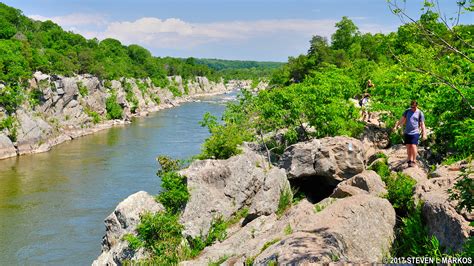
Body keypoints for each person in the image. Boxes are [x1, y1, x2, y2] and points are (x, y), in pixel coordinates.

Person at [393, 100, 427, 167]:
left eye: (414, 107)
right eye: (411, 107)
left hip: (415, 132)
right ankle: (409, 160)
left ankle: (414, 160)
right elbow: (402, 119)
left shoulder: (420, 113)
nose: (412, 108)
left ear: (417, 106)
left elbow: (422, 124)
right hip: (407, 132)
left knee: (413, 146)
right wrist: (396, 126)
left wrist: (424, 133)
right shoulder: (407, 111)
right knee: (408, 146)